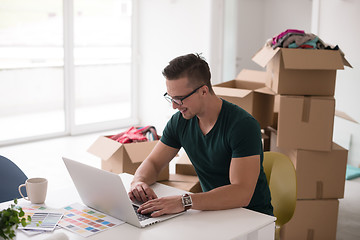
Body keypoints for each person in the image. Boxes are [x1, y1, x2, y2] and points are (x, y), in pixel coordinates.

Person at [128, 53, 273, 217]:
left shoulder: (243, 126)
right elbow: (154, 163)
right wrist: (138, 182)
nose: (174, 106)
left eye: (180, 99)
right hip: (212, 212)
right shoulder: (180, 122)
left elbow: (241, 193)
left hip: (252, 217)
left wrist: (184, 202)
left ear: (204, 91)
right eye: (171, 98)